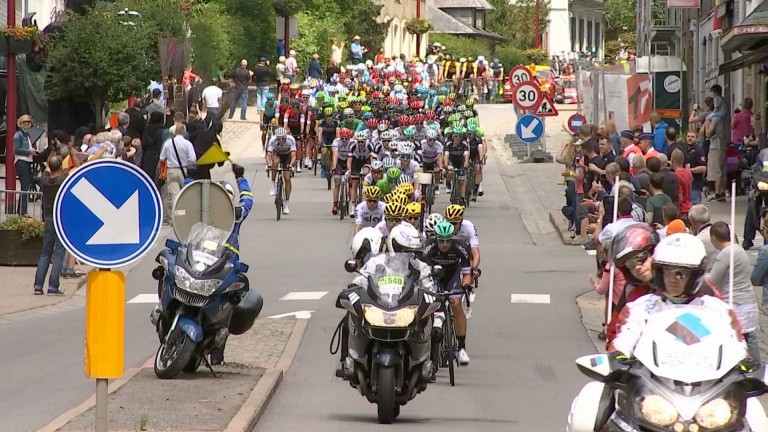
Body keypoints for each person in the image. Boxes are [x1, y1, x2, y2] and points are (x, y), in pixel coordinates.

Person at [609, 233, 744, 358]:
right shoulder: (640, 307)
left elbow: (737, 345)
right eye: (667, 272)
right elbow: (626, 337)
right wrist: (619, 354)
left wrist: (743, 361)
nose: (672, 279)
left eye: (681, 274)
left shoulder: (718, 309)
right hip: (653, 380)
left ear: (695, 275)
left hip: (707, 380)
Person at [206, 162, 254, 365]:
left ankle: (217, 354)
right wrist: (240, 178)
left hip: (227, 268)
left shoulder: (235, 213)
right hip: (203, 264)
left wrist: (242, 180)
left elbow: (248, 200)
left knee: (225, 309)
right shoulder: (205, 213)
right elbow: (186, 203)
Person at [421, 220, 473, 370]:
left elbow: (467, 273)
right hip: (434, 275)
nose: (444, 244)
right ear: (436, 238)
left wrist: (465, 286)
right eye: (441, 240)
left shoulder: (461, 247)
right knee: (430, 303)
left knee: (455, 303)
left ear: (452, 238)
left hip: (452, 274)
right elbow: (423, 273)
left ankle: (461, 348)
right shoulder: (429, 247)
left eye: (447, 240)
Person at [706, 222, 760, 363]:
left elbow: (712, 280)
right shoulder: (739, 249)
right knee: (750, 337)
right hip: (748, 300)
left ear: (714, 237)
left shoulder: (725, 254)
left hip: (735, 303)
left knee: (738, 338)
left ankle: (747, 367)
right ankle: (756, 366)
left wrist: (699, 275)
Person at [34, 151, 81, 296]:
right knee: (59, 253)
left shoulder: (45, 180)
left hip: (48, 218)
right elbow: (78, 166)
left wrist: (50, 159)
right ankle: (53, 287)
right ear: (61, 167)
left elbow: (48, 169)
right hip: (61, 219)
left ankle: (38, 286)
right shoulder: (64, 179)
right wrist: (71, 152)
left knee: (45, 253)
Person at [266, 127, 296, 214]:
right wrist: (269, 164)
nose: (281, 140)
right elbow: (268, 154)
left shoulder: (291, 140)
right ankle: (273, 185)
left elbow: (293, 155)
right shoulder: (272, 140)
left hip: (287, 156)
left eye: (283, 138)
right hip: (277, 154)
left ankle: (286, 203)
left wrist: (290, 165)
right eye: (279, 139)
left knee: (287, 178)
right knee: (275, 162)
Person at [13, 114, 38, 215]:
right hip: (21, 161)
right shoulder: (18, 135)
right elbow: (16, 150)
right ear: (20, 123)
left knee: (26, 185)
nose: (27, 124)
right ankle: (22, 211)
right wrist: (29, 151)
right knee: (25, 186)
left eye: (29, 122)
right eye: (25, 122)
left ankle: (22, 210)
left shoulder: (28, 135)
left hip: (27, 161)